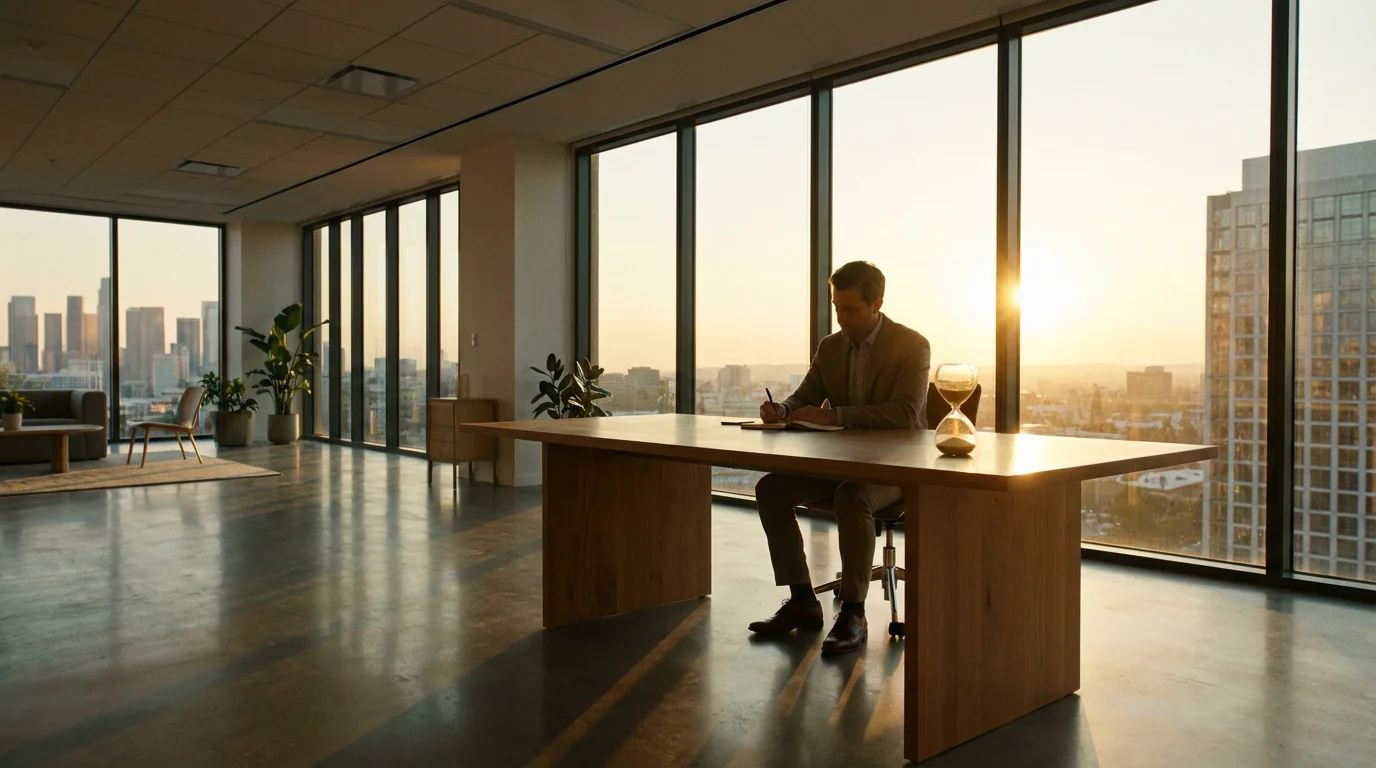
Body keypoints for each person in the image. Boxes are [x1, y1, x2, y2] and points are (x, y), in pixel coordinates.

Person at [748, 260, 930, 654]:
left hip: (898, 467)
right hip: (841, 463)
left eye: (850, 309)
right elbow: (806, 395)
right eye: (837, 308)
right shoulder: (830, 347)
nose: (841, 317)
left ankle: (853, 611)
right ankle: (802, 601)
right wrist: (782, 408)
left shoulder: (912, 345)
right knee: (770, 489)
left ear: (876, 304)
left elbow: (906, 413)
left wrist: (837, 416)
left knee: (854, 497)